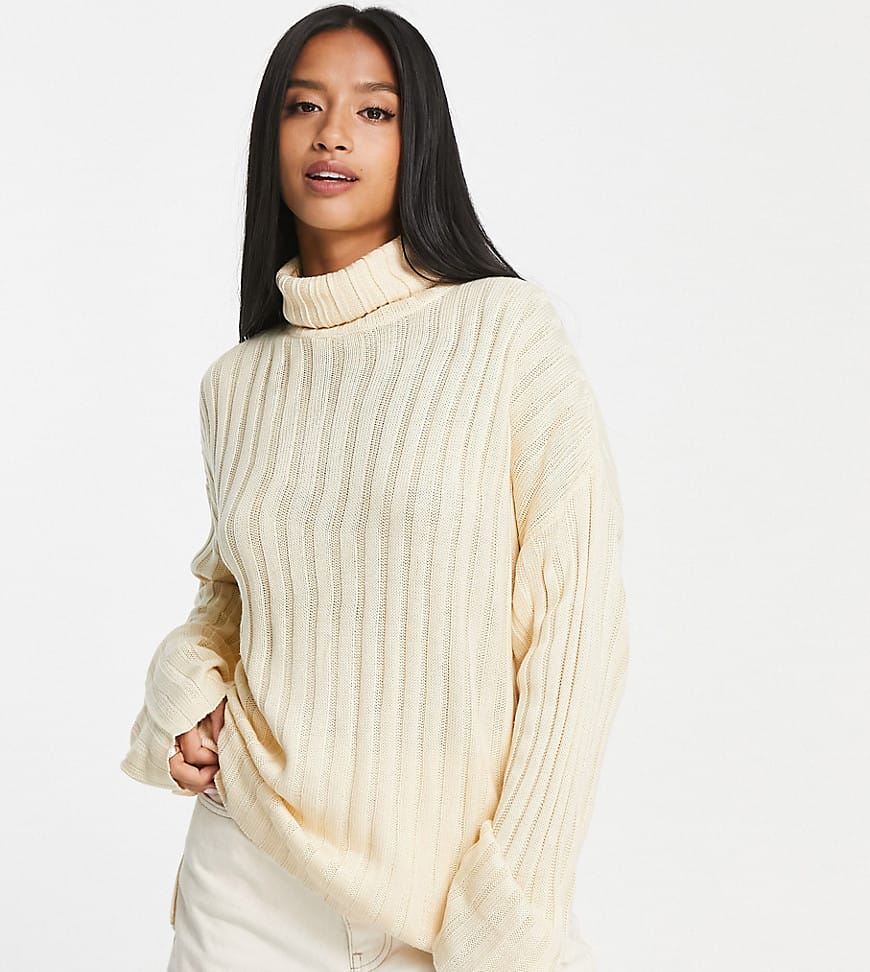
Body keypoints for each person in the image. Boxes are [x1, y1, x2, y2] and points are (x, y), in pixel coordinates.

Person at [119, 5, 630, 971]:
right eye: (303, 105)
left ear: (419, 141)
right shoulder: (238, 382)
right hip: (248, 867)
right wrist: (184, 685)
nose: (333, 134)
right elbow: (231, 599)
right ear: (271, 134)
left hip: (443, 900)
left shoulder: (505, 333)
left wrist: (511, 907)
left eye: (375, 111)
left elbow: (577, 632)